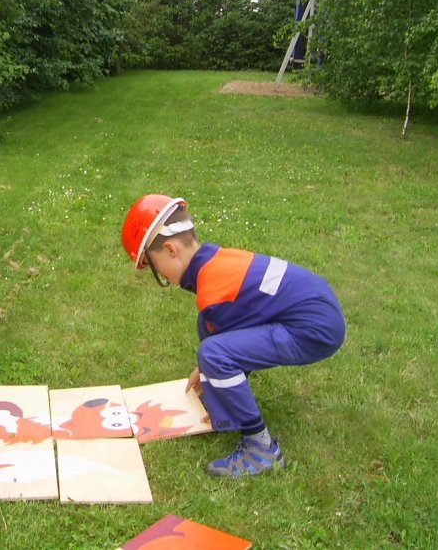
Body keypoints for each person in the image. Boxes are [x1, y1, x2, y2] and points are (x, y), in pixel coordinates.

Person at [121, 194, 345, 477]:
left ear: (170, 250)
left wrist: (210, 373)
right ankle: (227, 404)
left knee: (213, 353)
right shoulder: (216, 260)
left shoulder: (213, 289)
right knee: (211, 338)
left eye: (154, 268)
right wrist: (210, 380)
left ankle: (262, 448)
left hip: (315, 330)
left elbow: (224, 352)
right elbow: (236, 336)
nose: (161, 276)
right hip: (319, 313)